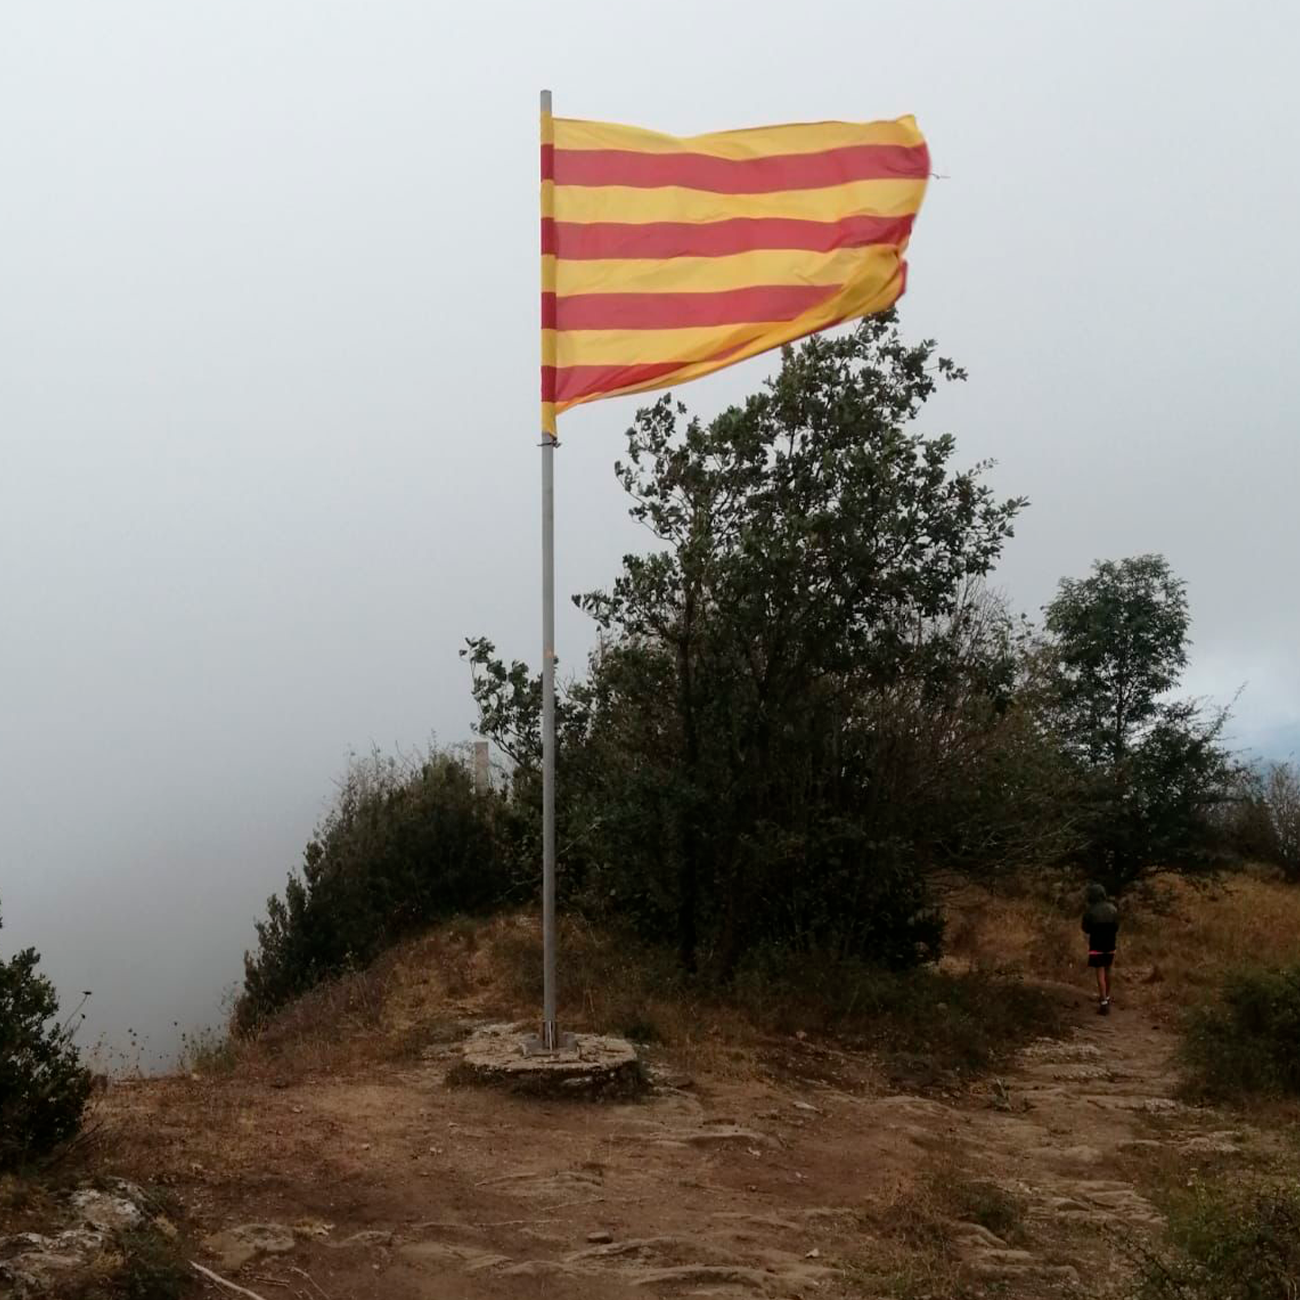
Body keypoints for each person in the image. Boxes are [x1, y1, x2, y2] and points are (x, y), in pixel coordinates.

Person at [1082, 882, 1120, 1014]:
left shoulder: (1090, 911)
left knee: (1100, 972)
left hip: (1096, 944)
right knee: (1108, 970)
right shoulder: (1113, 908)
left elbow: (1085, 929)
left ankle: (1103, 1002)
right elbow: (1116, 927)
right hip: (1110, 943)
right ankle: (1107, 997)